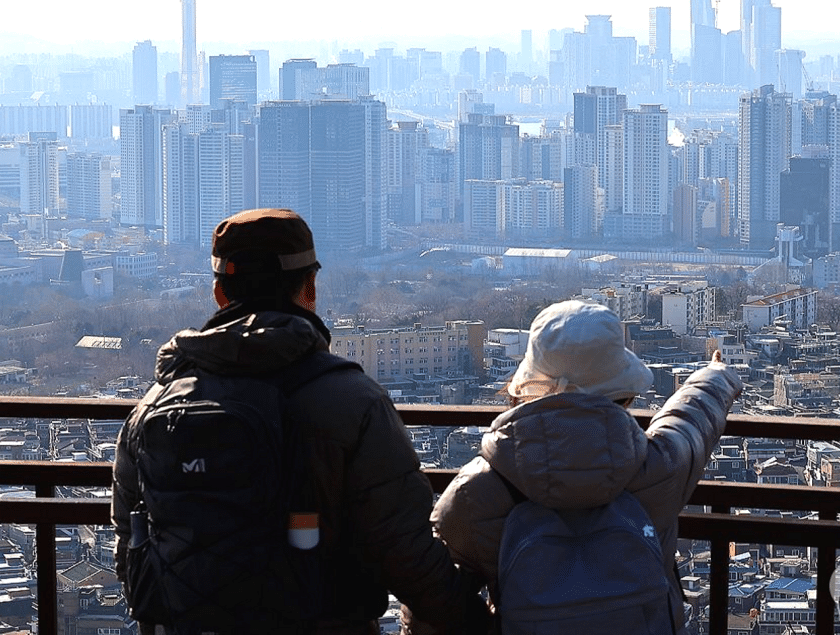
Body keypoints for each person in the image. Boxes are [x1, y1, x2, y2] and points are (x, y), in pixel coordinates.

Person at [111, 208, 488, 635]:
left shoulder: (157, 403)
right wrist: (478, 620)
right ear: (310, 287)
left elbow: (131, 541)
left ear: (219, 293)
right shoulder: (350, 399)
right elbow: (406, 551)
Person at [409, 299, 743, 634]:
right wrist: (715, 376)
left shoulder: (478, 492)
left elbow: (430, 594)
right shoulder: (655, 469)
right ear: (623, 391)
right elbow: (689, 421)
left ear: (528, 384)